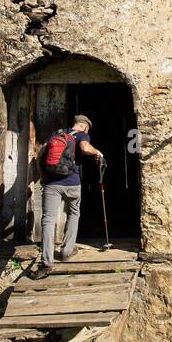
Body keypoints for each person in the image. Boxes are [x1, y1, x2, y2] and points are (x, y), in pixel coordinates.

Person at [31, 114, 103, 279]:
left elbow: (41, 155)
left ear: (74, 124)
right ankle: (66, 251)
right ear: (85, 127)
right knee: (74, 213)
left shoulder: (57, 134)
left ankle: (47, 262)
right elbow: (85, 148)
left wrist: (43, 177)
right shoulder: (83, 135)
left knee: (48, 219)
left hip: (51, 184)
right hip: (72, 184)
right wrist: (97, 151)